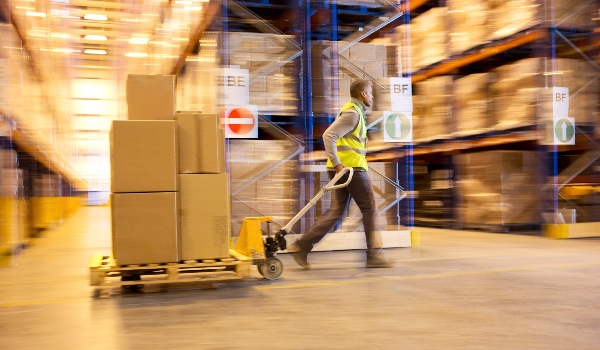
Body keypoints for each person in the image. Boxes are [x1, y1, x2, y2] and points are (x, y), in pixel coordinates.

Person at [287, 79, 395, 269]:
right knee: (369, 209)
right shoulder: (353, 114)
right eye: (370, 92)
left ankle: (302, 246)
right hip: (350, 169)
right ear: (362, 93)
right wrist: (337, 164)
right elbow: (329, 135)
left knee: (336, 212)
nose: (372, 96)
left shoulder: (356, 112)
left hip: (346, 169)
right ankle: (374, 255)